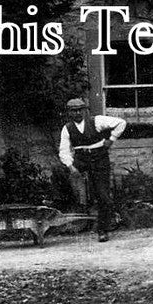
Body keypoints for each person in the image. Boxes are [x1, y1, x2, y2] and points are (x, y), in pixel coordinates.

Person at [58, 98, 127, 242]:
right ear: (69, 113)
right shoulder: (67, 128)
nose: (77, 113)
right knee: (65, 181)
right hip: (81, 159)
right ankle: (75, 220)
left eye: (80, 110)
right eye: (73, 111)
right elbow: (64, 150)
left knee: (102, 195)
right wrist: (71, 167)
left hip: (99, 158)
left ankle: (103, 229)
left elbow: (121, 123)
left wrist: (112, 139)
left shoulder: (96, 121)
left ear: (84, 110)